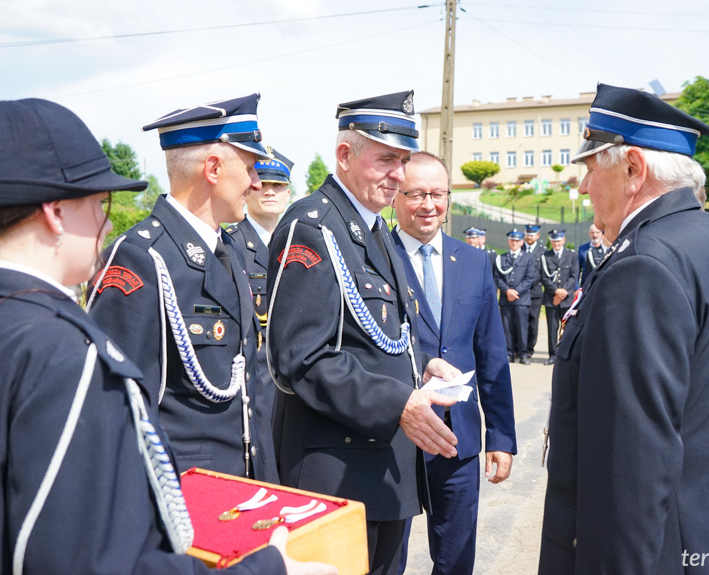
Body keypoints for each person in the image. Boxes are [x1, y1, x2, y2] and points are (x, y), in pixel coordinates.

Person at [0, 98, 332, 575]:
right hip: (182, 509)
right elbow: (89, 552)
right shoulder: (67, 348)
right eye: (101, 204)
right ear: (55, 214)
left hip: (227, 500)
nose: (105, 222)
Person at [538, 84, 709, 574]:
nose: (583, 187)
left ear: (633, 169)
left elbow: (632, 469)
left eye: (591, 168)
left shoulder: (644, 266)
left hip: (656, 553)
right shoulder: (705, 241)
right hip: (703, 534)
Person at [265, 91, 461, 575]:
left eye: (403, 161)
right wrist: (397, 402)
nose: (398, 174)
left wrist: (423, 366)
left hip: (383, 473)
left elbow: (379, 336)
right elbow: (300, 360)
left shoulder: (371, 229)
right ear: (345, 155)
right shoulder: (313, 227)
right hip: (337, 478)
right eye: (385, 159)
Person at [88, 94, 278, 481]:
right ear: (213, 167)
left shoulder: (230, 252)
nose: (257, 183)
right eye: (251, 168)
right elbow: (118, 411)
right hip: (184, 500)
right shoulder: (140, 258)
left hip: (242, 487)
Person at [391, 152, 517, 575]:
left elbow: (491, 354)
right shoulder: (376, 258)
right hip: (395, 437)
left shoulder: (475, 261)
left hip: (458, 438)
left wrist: (500, 435)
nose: (429, 204)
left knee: (456, 560)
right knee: (387, 558)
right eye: (416, 194)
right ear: (395, 195)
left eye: (437, 194)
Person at [228, 146, 294, 425]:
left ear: (288, 194)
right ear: (247, 190)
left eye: (278, 185)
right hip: (251, 393)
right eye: (262, 184)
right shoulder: (229, 246)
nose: (269, 192)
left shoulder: (299, 244)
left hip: (292, 394)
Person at [494, 228, 536, 364]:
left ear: (522, 242)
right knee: (506, 327)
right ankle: (509, 352)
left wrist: (516, 292)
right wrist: (507, 291)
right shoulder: (502, 258)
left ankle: (523, 353)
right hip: (506, 298)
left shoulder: (528, 257)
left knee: (522, 327)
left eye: (517, 240)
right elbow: (497, 277)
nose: (514, 243)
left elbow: (530, 278)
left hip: (521, 299)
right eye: (512, 240)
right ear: (508, 241)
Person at [539, 228, 579, 366]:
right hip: (551, 298)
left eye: (558, 240)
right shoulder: (545, 256)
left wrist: (563, 293)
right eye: (554, 240)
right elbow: (543, 277)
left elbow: (574, 276)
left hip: (566, 299)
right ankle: (552, 355)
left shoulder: (572, 255)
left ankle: (565, 354)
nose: (556, 243)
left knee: (567, 328)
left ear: (563, 240)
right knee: (552, 328)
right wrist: (556, 291)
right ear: (551, 241)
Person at [523, 224, 546, 359]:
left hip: (534, 292)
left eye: (532, 235)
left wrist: (525, 283)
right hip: (521, 293)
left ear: (538, 236)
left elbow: (541, 273)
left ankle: (529, 347)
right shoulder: (520, 248)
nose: (529, 237)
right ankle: (520, 347)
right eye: (527, 234)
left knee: (533, 321)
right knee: (519, 321)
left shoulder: (543, 251)